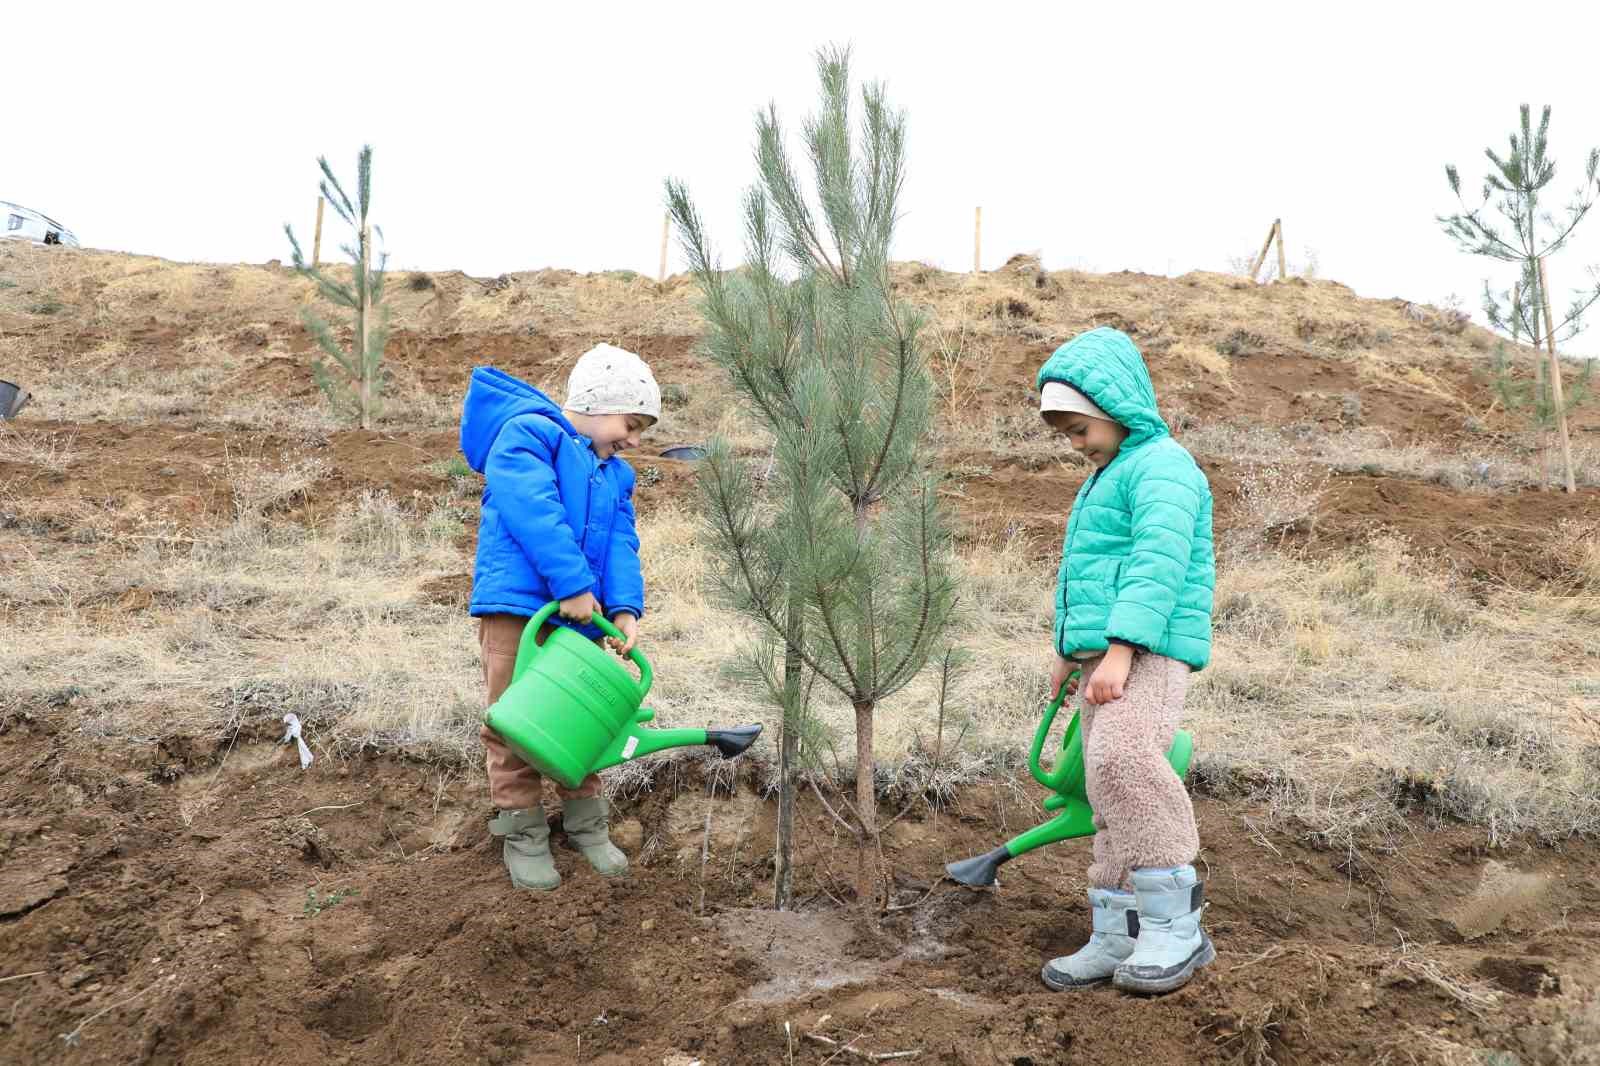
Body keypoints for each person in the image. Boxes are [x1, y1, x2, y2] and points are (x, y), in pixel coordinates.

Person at [1033, 327, 1217, 995]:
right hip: (1105, 657)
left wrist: (1119, 651)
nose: (1076, 445)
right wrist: (1068, 652)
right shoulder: (1111, 472)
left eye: (1080, 429)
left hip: (1146, 652)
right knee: (1102, 786)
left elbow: (1154, 568)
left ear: (1114, 404)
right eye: (1069, 435)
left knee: (1127, 762)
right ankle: (1118, 929)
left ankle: (1178, 925)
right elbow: (1090, 573)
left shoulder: (1163, 466)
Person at [458, 342, 659, 891]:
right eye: (632, 422)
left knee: (584, 716)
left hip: (581, 615)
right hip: (520, 607)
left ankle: (585, 823)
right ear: (597, 403)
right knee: (514, 718)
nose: (635, 440)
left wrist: (622, 608)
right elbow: (533, 511)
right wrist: (571, 584)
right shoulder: (528, 435)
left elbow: (621, 541)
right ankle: (522, 831)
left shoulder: (614, 473)